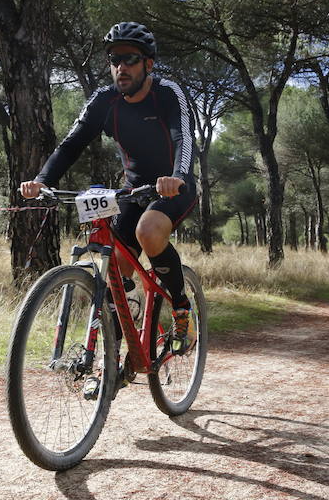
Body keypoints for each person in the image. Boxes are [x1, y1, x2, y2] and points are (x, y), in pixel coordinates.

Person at [19, 21, 198, 359]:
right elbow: (70, 146)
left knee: (148, 231)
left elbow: (183, 138)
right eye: (114, 59)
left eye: (130, 59)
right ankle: (114, 359)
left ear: (148, 63)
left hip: (174, 185)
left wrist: (178, 177)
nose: (121, 67)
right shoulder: (104, 100)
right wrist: (43, 180)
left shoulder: (167, 93)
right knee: (116, 270)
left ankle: (180, 307)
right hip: (133, 188)